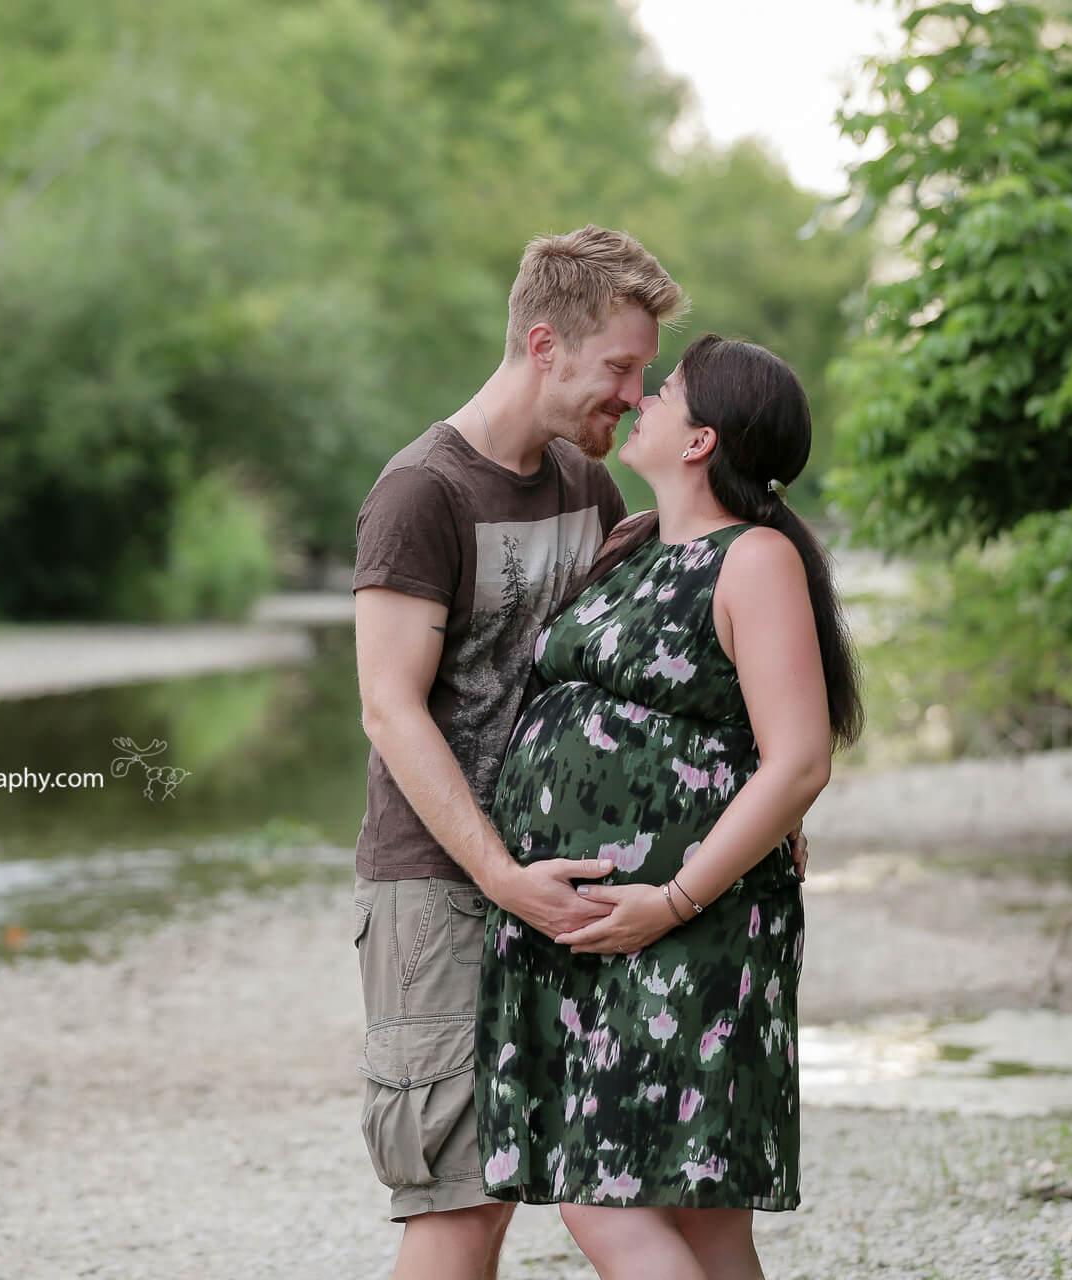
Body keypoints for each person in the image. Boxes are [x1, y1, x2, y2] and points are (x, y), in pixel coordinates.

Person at [474, 333, 863, 1280]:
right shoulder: (635, 546)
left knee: (605, 1193)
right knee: (705, 1218)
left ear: (700, 441)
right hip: (606, 927)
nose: (642, 399)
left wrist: (676, 898)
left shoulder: (755, 558)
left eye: (667, 390)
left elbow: (798, 758)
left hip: (689, 927)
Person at [349, 225, 685, 1280]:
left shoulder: (587, 488)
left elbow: (640, 674)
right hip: (439, 884)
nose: (636, 395)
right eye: (621, 367)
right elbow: (389, 708)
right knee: (462, 1205)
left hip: (566, 878)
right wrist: (500, 875)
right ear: (545, 344)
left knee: (598, 1175)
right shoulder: (422, 492)